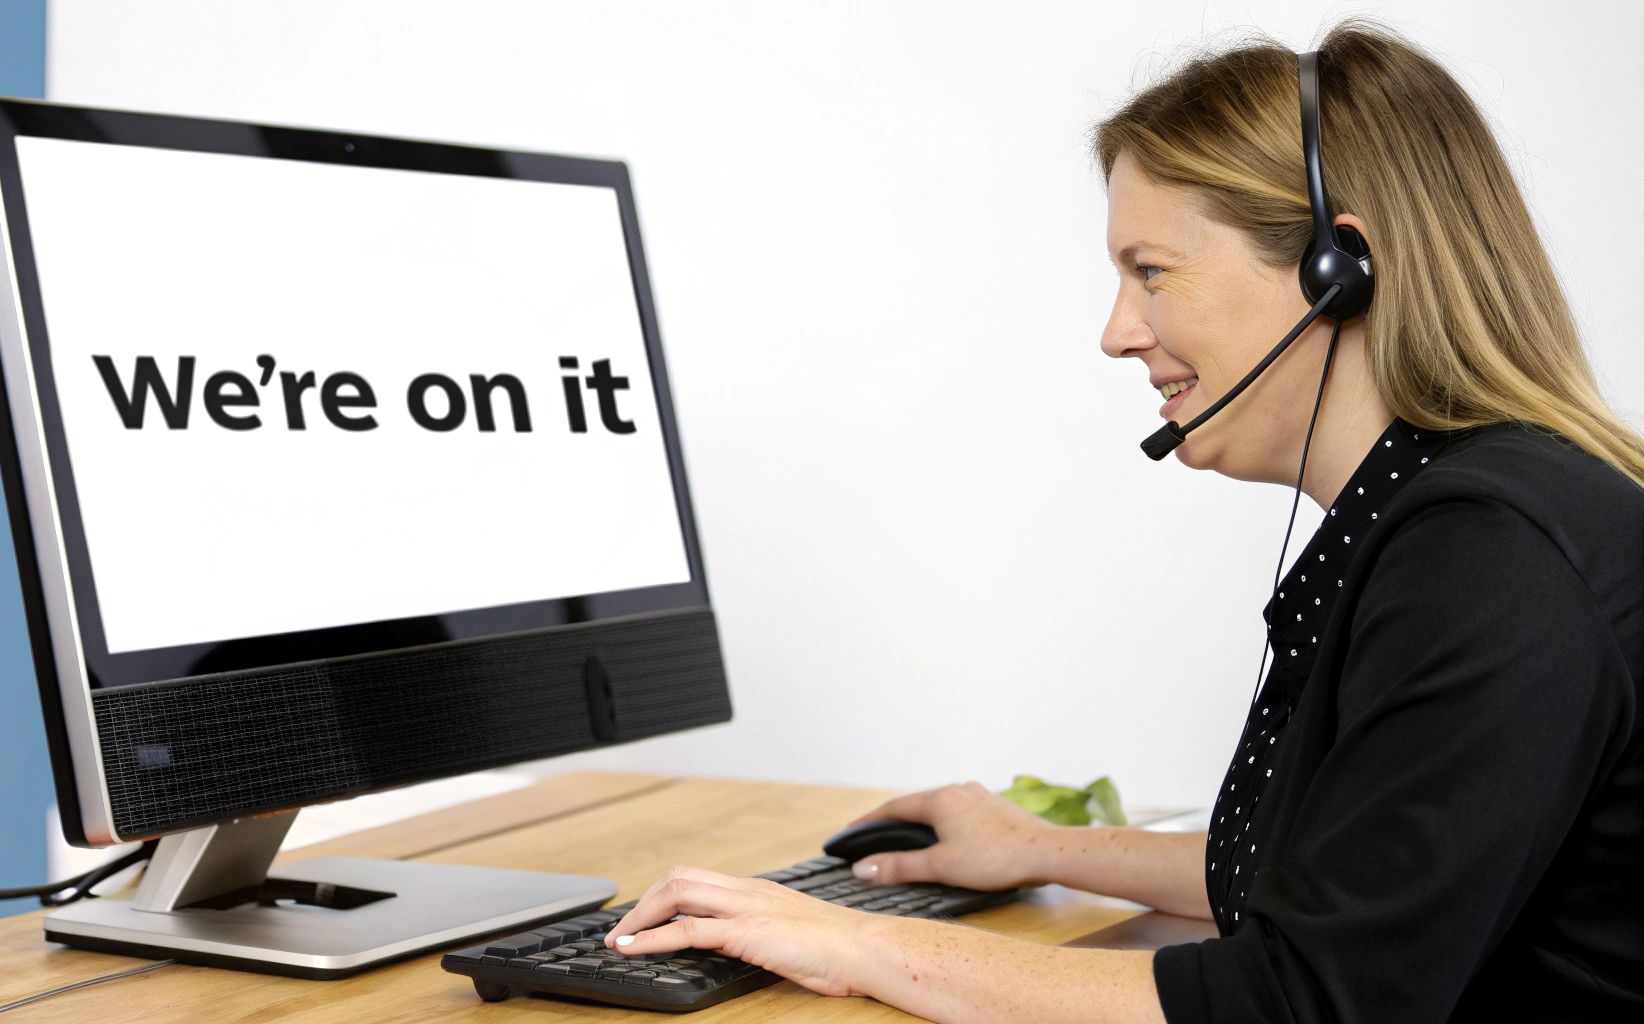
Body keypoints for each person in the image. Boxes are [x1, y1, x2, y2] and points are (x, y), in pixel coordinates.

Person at [602, 17, 1644, 1022]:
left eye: (1150, 272)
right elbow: (1359, 876)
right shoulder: (1468, 512)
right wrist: (1037, 847)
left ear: (1339, 271)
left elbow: (1303, 1001)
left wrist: (858, 943)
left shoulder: (1489, 556)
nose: (1115, 333)